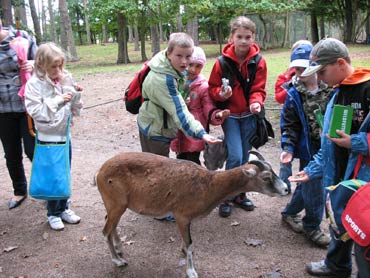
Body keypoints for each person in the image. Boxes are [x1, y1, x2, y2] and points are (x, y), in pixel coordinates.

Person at [289, 38, 370, 277]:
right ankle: (336, 265)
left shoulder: (367, 90)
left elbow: (347, 140)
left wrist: (356, 142)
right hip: (340, 177)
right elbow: (329, 142)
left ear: (341, 62)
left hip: (363, 182)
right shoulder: (338, 93)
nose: (320, 77)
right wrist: (312, 170)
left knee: (364, 230)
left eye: (322, 71)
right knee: (338, 220)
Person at [208, 16, 267, 217]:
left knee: (243, 156)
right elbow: (212, 88)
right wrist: (220, 95)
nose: (243, 41)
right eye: (239, 36)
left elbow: (259, 88)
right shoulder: (221, 63)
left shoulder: (258, 61)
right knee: (234, 155)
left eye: (247, 37)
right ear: (231, 37)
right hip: (231, 116)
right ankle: (225, 196)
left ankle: (239, 194)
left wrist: (256, 101)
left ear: (253, 38)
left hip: (249, 115)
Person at [24, 42, 83, 231]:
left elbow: (73, 106)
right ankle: (53, 212)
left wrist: (74, 93)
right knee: (53, 176)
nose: (58, 70)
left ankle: (64, 207)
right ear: (42, 65)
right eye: (53, 67)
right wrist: (59, 99)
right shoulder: (34, 85)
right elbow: (36, 111)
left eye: (60, 65)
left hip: (64, 135)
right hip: (48, 137)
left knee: (64, 171)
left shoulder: (64, 78)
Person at [279, 43, 332, 248]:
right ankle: (312, 226)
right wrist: (288, 148)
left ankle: (290, 212)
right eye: (296, 69)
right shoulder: (293, 93)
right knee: (314, 188)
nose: (300, 73)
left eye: (304, 68)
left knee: (307, 185)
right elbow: (290, 125)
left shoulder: (331, 88)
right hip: (308, 150)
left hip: (330, 145)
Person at [137, 32, 221, 158]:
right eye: (179, 56)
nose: (184, 62)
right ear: (169, 53)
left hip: (155, 122)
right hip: (155, 131)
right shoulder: (164, 79)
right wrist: (202, 133)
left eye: (188, 56)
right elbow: (179, 112)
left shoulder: (166, 64)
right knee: (158, 173)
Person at [170, 46, 230, 165]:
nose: (193, 69)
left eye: (198, 66)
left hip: (195, 130)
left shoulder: (203, 87)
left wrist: (217, 114)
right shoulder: (176, 81)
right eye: (191, 64)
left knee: (192, 162)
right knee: (181, 159)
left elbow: (208, 106)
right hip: (179, 128)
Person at [0, 19, 37, 209]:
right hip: (3, 110)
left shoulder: (23, 38)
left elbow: (46, 63)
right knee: (11, 154)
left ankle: (46, 188)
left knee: (34, 151)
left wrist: (33, 64)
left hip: (27, 107)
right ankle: (19, 190)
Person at [275, 39, 313, 194]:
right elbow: (279, 97)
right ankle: (284, 185)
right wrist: (292, 83)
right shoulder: (285, 77)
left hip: (308, 132)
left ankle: (301, 189)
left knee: (307, 161)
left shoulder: (318, 81)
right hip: (290, 123)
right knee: (286, 158)